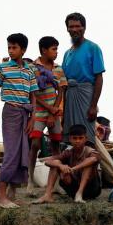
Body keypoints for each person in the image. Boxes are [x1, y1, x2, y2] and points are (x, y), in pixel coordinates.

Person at [0, 33, 38, 209]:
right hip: (10, 112)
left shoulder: (29, 71)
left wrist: (33, 117)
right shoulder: (3, 68)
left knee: (22, 153)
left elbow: (33, 95)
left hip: (25, 114)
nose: (11, 50)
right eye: (9, 47)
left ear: (23, 50)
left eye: (14, 47)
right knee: (10, 153)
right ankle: (1, 196)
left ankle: (12, 194)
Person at [61, 13, 106, 141]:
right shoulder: (67, 53)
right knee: (70, 135)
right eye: (71, 27)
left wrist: (93, 105)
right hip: (70, 96)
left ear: (84, 28)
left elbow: (99, 77)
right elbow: (63, 82)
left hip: (86, 95)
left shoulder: (93, 48)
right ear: (67, 29)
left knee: (86, 135)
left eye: (77, 26)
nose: (74, 29)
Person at [30, 36, 68, 177]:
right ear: (44, 50)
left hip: (54, 113)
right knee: (34, 145)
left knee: (56, 145)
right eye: (54, 49)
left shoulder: (58, 69)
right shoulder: (33, 68)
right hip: (38, 112)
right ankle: (30, 179)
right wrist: (48, 108)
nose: (56, 52)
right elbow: (33, 93)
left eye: (56, 49)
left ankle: (56, 180)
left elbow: (61, 91)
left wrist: (53, 112)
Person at [38, 125, 101, 204]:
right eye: (74, 138)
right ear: (70, 139)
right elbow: (48, 161)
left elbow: (93, 159)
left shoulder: (90, 151)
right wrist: (60, 166)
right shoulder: (68, 152)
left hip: (92, 189)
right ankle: (47, 195)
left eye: (80, 138)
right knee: (56, 163)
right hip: (73, 189)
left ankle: (79, 194)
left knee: (88, 164)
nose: (77, 141)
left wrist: (73, 168)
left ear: (86, 139)